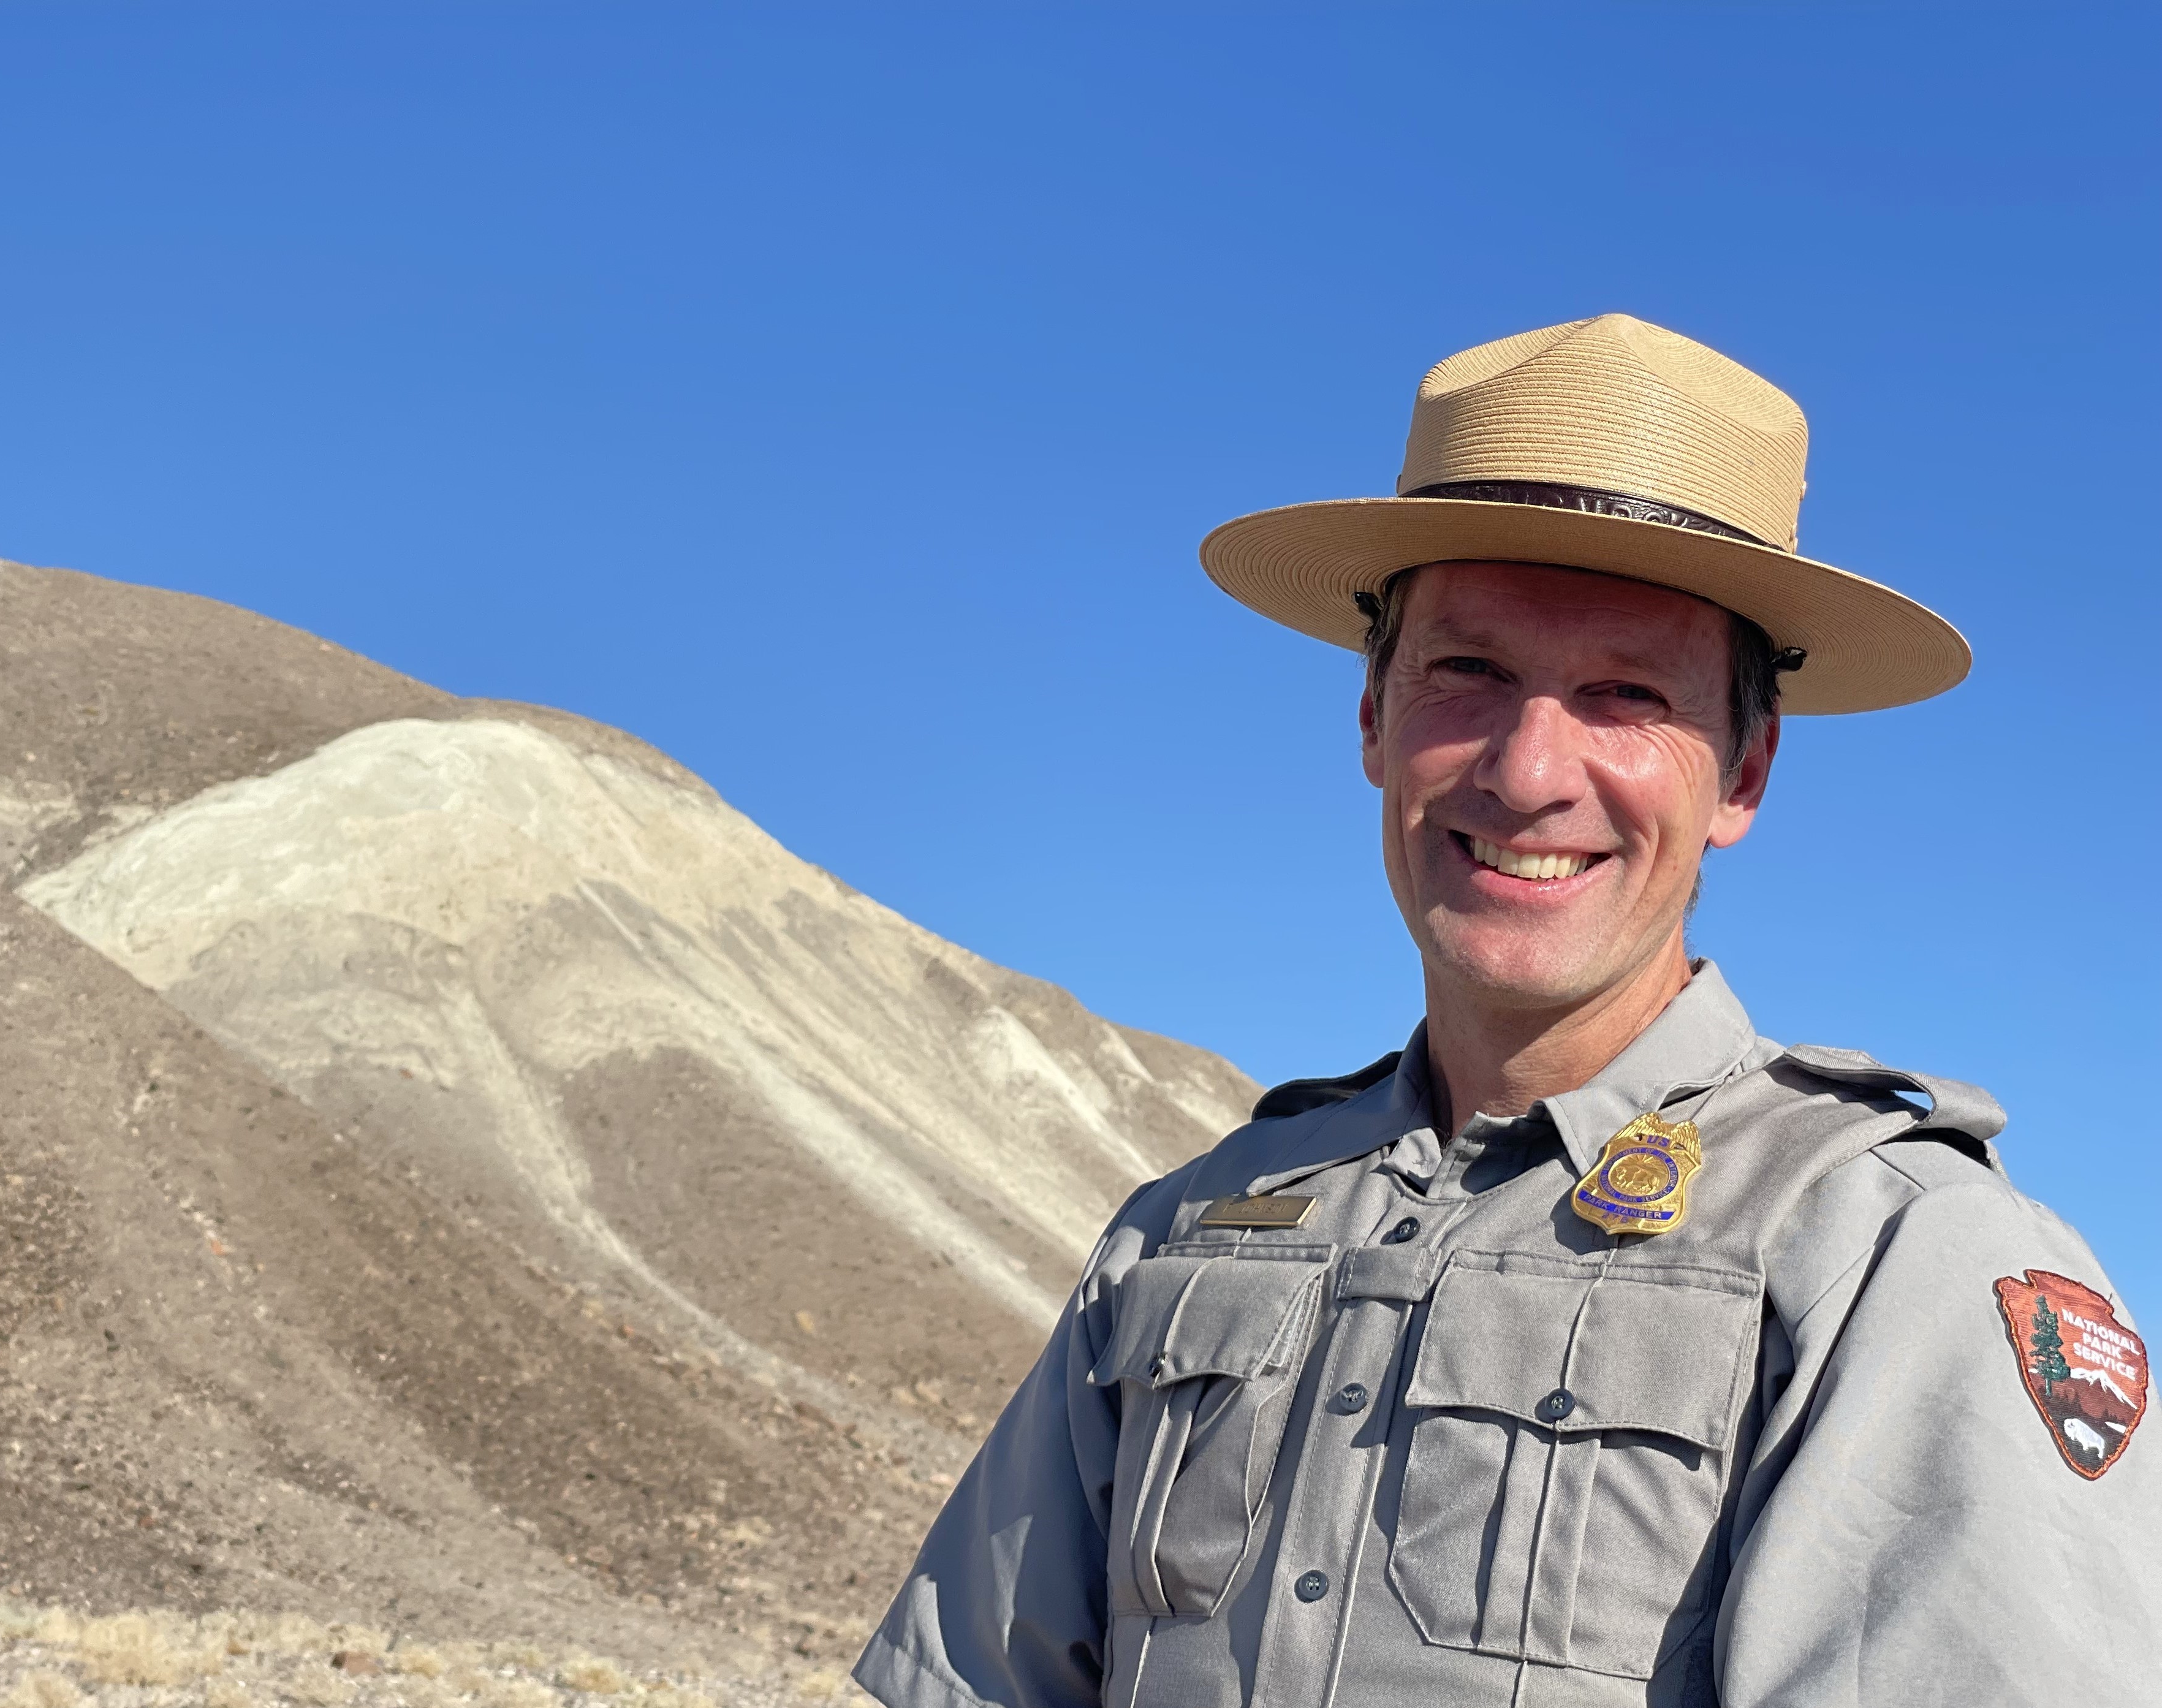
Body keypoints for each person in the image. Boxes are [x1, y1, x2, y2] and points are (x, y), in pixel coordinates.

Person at [851, 314, 2156, 1708]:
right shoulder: (1185, 1228)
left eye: (1624, 695)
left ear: (1743, 772)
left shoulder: (1891, 1252)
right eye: (1467, 672)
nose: (1529, 770)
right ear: (1372, 713)